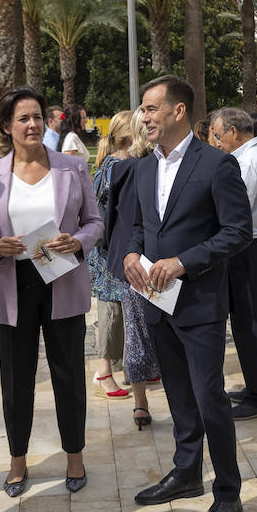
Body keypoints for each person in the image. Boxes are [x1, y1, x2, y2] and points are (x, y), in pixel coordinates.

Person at [121, 74, 252, 512]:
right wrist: (131, 254)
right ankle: (186, 472)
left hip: (198, 303)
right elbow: (136, 227)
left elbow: (238, 232)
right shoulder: (141, 168)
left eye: (152, 108)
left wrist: (183, 262)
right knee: (177, 394)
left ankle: (229, 493)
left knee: (208, 396)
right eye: (142, 109)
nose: (144, 117)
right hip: (156, 304)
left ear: (179, 111)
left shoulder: (217, 165)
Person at [0, 87, 102, 498]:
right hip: (14, 286)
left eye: (38, 117)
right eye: (23, 118)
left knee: (69, 374)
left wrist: (77, 241)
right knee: (16, 378)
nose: (33, 124)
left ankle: (75, 455)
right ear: (7, 126)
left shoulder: (72, 168)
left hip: (61, 279)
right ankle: (17, 461)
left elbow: (95, 221)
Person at [210, 108, 257, 419]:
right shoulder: (253, 156)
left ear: (234, 133)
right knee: (250, 322)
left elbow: (236, 208)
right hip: (255, 247)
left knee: (253, 323)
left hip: (252, 249)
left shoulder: (250, 161)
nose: (215, 141)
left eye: (217, 135)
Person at [100, 109, 164, 428]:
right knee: (140, 333)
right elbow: (114, 218)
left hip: (154, 263)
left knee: (144, 333)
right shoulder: (126, 170)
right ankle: (141, 401)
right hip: (136, 264)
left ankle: (143, 402)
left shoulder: (163, 167)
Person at [89, 111, 134, 400]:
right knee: (110, 311)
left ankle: (127, 366)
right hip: (109, 252)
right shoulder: (115, 167)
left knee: (123, 309)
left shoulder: (117, 164)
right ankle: (104, 370)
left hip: (116, 249)